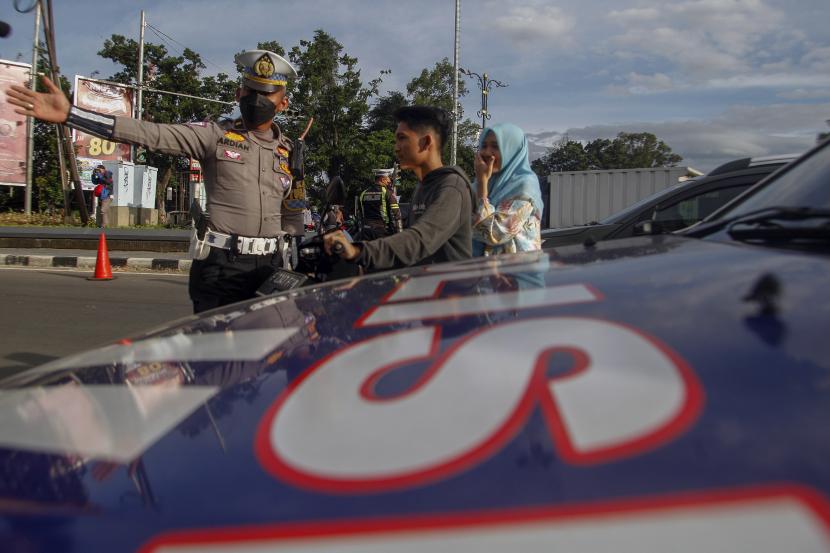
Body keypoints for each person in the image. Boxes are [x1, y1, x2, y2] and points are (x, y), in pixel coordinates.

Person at [8, 49, 300, 313]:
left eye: (266, 93)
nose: (256, 99)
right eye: (251, 91)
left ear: (283, 103)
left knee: (267, 355)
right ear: (238, 94)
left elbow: (293, 209)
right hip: (224, 267)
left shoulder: (289, 151)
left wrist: (298, 256)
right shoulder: (215, 135)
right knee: (218, 360)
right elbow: (151, 133)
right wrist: (72, 115)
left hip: (271, 268)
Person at [323, 105, 473, 269]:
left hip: (452, 291)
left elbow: (419, 239)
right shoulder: (423, 186)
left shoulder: (451, 187)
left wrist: (358, 251)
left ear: (426, 142)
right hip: (425, 286)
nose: (396, 147)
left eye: (402, 138)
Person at [471, 122, 544, 256]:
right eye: (484, 146)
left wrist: (482, 185)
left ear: (512, 150)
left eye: (495, 147)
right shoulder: (479, 183)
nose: (487, 153)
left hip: (517, 273)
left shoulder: (524, 185)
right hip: (480, 273)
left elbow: (495, 233)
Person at [357, 168, 402, 238]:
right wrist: (399, 232)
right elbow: (396, 214)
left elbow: (360, 213)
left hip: (366, 231)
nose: (389, 181)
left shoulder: (363, 193)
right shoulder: (387, 192)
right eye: (388, 179)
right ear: (382, 179)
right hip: (382, 232)